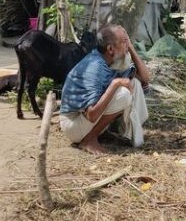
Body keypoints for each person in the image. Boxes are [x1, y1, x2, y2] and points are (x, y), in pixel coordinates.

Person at [59, 24, 151, 154]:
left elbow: (145, 78)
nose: (127, 44)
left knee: (134, 83)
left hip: (84, 121)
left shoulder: (109, 60)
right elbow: (91, 115)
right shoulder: (95, 67)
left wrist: (130, 47)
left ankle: (104, 133)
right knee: (123, 93)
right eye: (124, 42)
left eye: (127, 41)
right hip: (73, 124)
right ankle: (89, 139)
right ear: (110, 49)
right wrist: (115, 84)